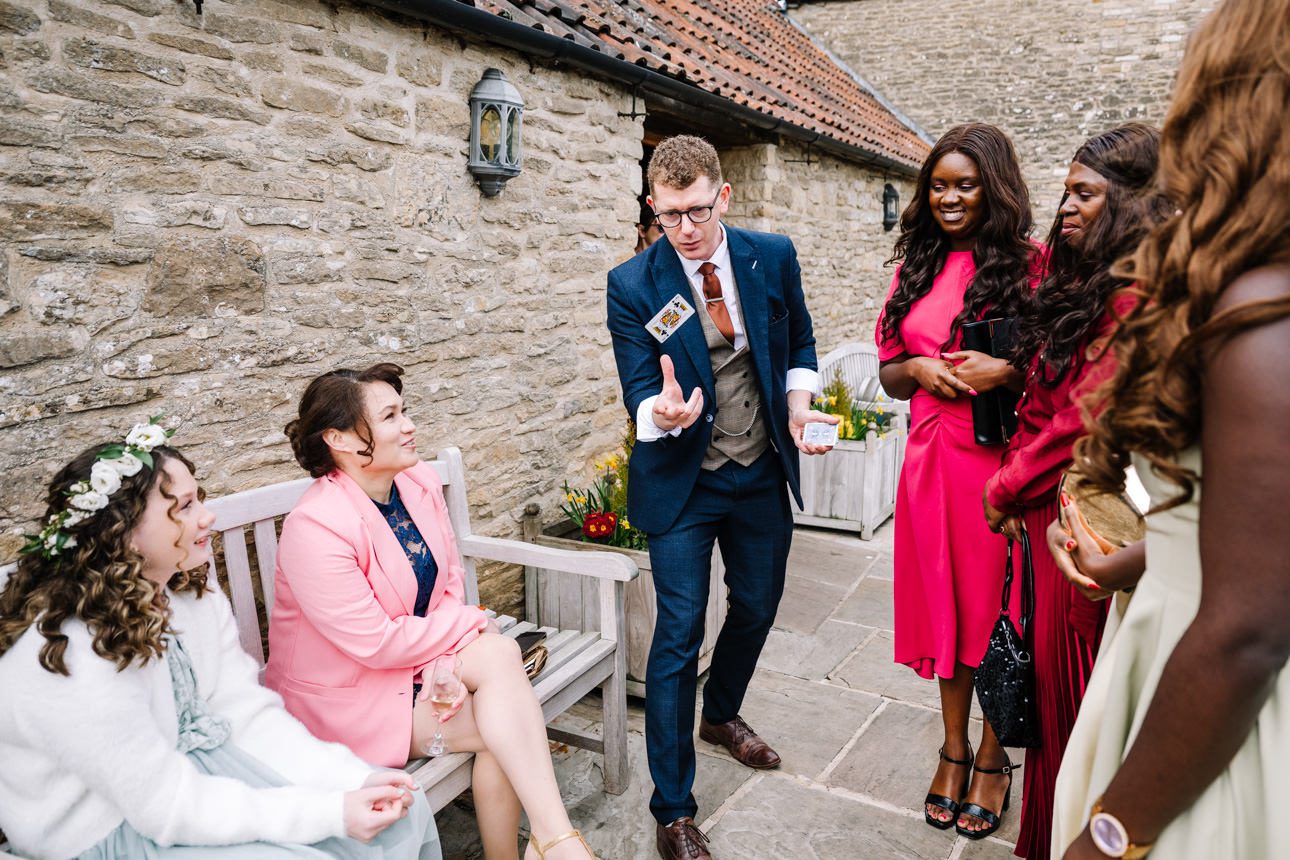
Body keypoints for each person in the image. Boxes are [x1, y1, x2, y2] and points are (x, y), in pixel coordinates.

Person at [1050, 1, 1290, 856]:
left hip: (1211, 700)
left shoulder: (1261, 316)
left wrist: (1111, 836)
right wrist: (1141, 557)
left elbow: (1249, 627)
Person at [0, 422, 440, 860]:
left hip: (199, 772)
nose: (207, 517)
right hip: (106, 829)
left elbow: (246, 714)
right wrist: (329, 812)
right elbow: (163, 804)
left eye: (200, 500)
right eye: (186, 506)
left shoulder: (185, 591)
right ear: (124, 530)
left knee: (404, 807)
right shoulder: (67, 650)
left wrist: (349, 780)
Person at [606, 135, 837, 860]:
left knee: (760, 604)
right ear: (655, 207)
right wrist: (658, 416)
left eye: (698, 211)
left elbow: (798, 341)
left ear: (723, 197)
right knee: (678, 636)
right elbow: (638, 387)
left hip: (760, 467)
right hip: (684, 480)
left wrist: (799, 408)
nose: (686, 228)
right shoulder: (632, 284)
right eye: (671, 214)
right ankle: (673, 808)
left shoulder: (772, 255)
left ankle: (723, 713)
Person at [267, 364, 594, 860]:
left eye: (405, 411)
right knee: (504, 729)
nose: (409, 425)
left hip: (414, 666)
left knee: (501, 663)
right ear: (339, 438)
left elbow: (445, 585)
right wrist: (467, 625)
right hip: (349, 698)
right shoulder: (316, 527)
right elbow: (374, 643)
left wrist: (444, 658)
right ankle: (553, 843)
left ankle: (550, 839)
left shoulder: (415, 483)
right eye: (390, 416)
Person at [981, 124, 1170, 857]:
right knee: (1053, 692)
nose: (1066, 207)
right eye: (1065, 192)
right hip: (1041, 513)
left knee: (1074, 699)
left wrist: (1004, 484)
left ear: (1131, 204)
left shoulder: (1136, 300)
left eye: (1085, 193)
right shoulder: (1090, 287)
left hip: (1078, 519)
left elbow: (1078, 422)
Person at [874, 123, 1037, 837]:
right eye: (938, 185)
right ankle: (953, 747)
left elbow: (1066, 366)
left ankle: (996, 758)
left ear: (993, 187)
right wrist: (915, 369)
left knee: (999, 614)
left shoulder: (1031, 267)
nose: (948, 197)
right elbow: (887, 371)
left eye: (964, 184)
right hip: (928, 463)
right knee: (946, 612)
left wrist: (1004, 368)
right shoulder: (918, 261)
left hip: (998, 467)